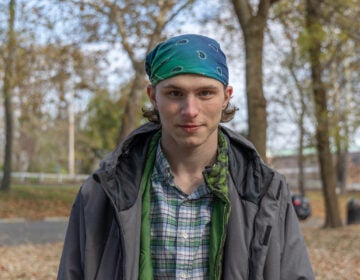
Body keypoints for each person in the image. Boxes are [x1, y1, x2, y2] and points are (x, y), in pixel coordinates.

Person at [58, 34, 314, 280]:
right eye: (175, 93)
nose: (190, 110)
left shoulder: (266, 191)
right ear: (153, 96)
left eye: (205, 93)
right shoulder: (101, 192)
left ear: (226, 97)